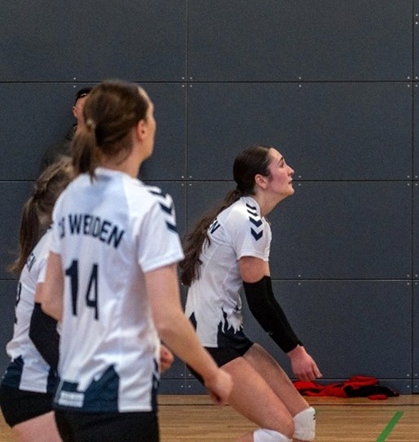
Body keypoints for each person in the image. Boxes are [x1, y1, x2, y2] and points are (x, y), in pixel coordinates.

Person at [40, 79, 232, 442]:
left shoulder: (70, 197)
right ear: (141, 129)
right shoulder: (148, 204)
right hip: (118, 401)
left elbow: (51, 300)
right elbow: (169, 318)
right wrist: (213, 374)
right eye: (153, 114)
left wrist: (137, 339)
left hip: (68, 398)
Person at [179, 146, 321, 442]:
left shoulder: (248, 217)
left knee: (302, 421)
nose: (290, 170)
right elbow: (260, 302)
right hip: (210, 342)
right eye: (282, 165)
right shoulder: (248, 220)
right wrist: (295, 352)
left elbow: (264, 294)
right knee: (280, 430)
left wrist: (296, 348)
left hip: (228, 337)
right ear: (262, 180)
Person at [2, 158, 74, 442]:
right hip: (34, 389)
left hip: (40, 388)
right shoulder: (55, 250)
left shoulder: (61, 244)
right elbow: (40, 329)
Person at [37, 88, 90, 177]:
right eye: (84, 106)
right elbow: (45, 188)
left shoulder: (110, 150)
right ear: (75, 111)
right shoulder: (56, 152)